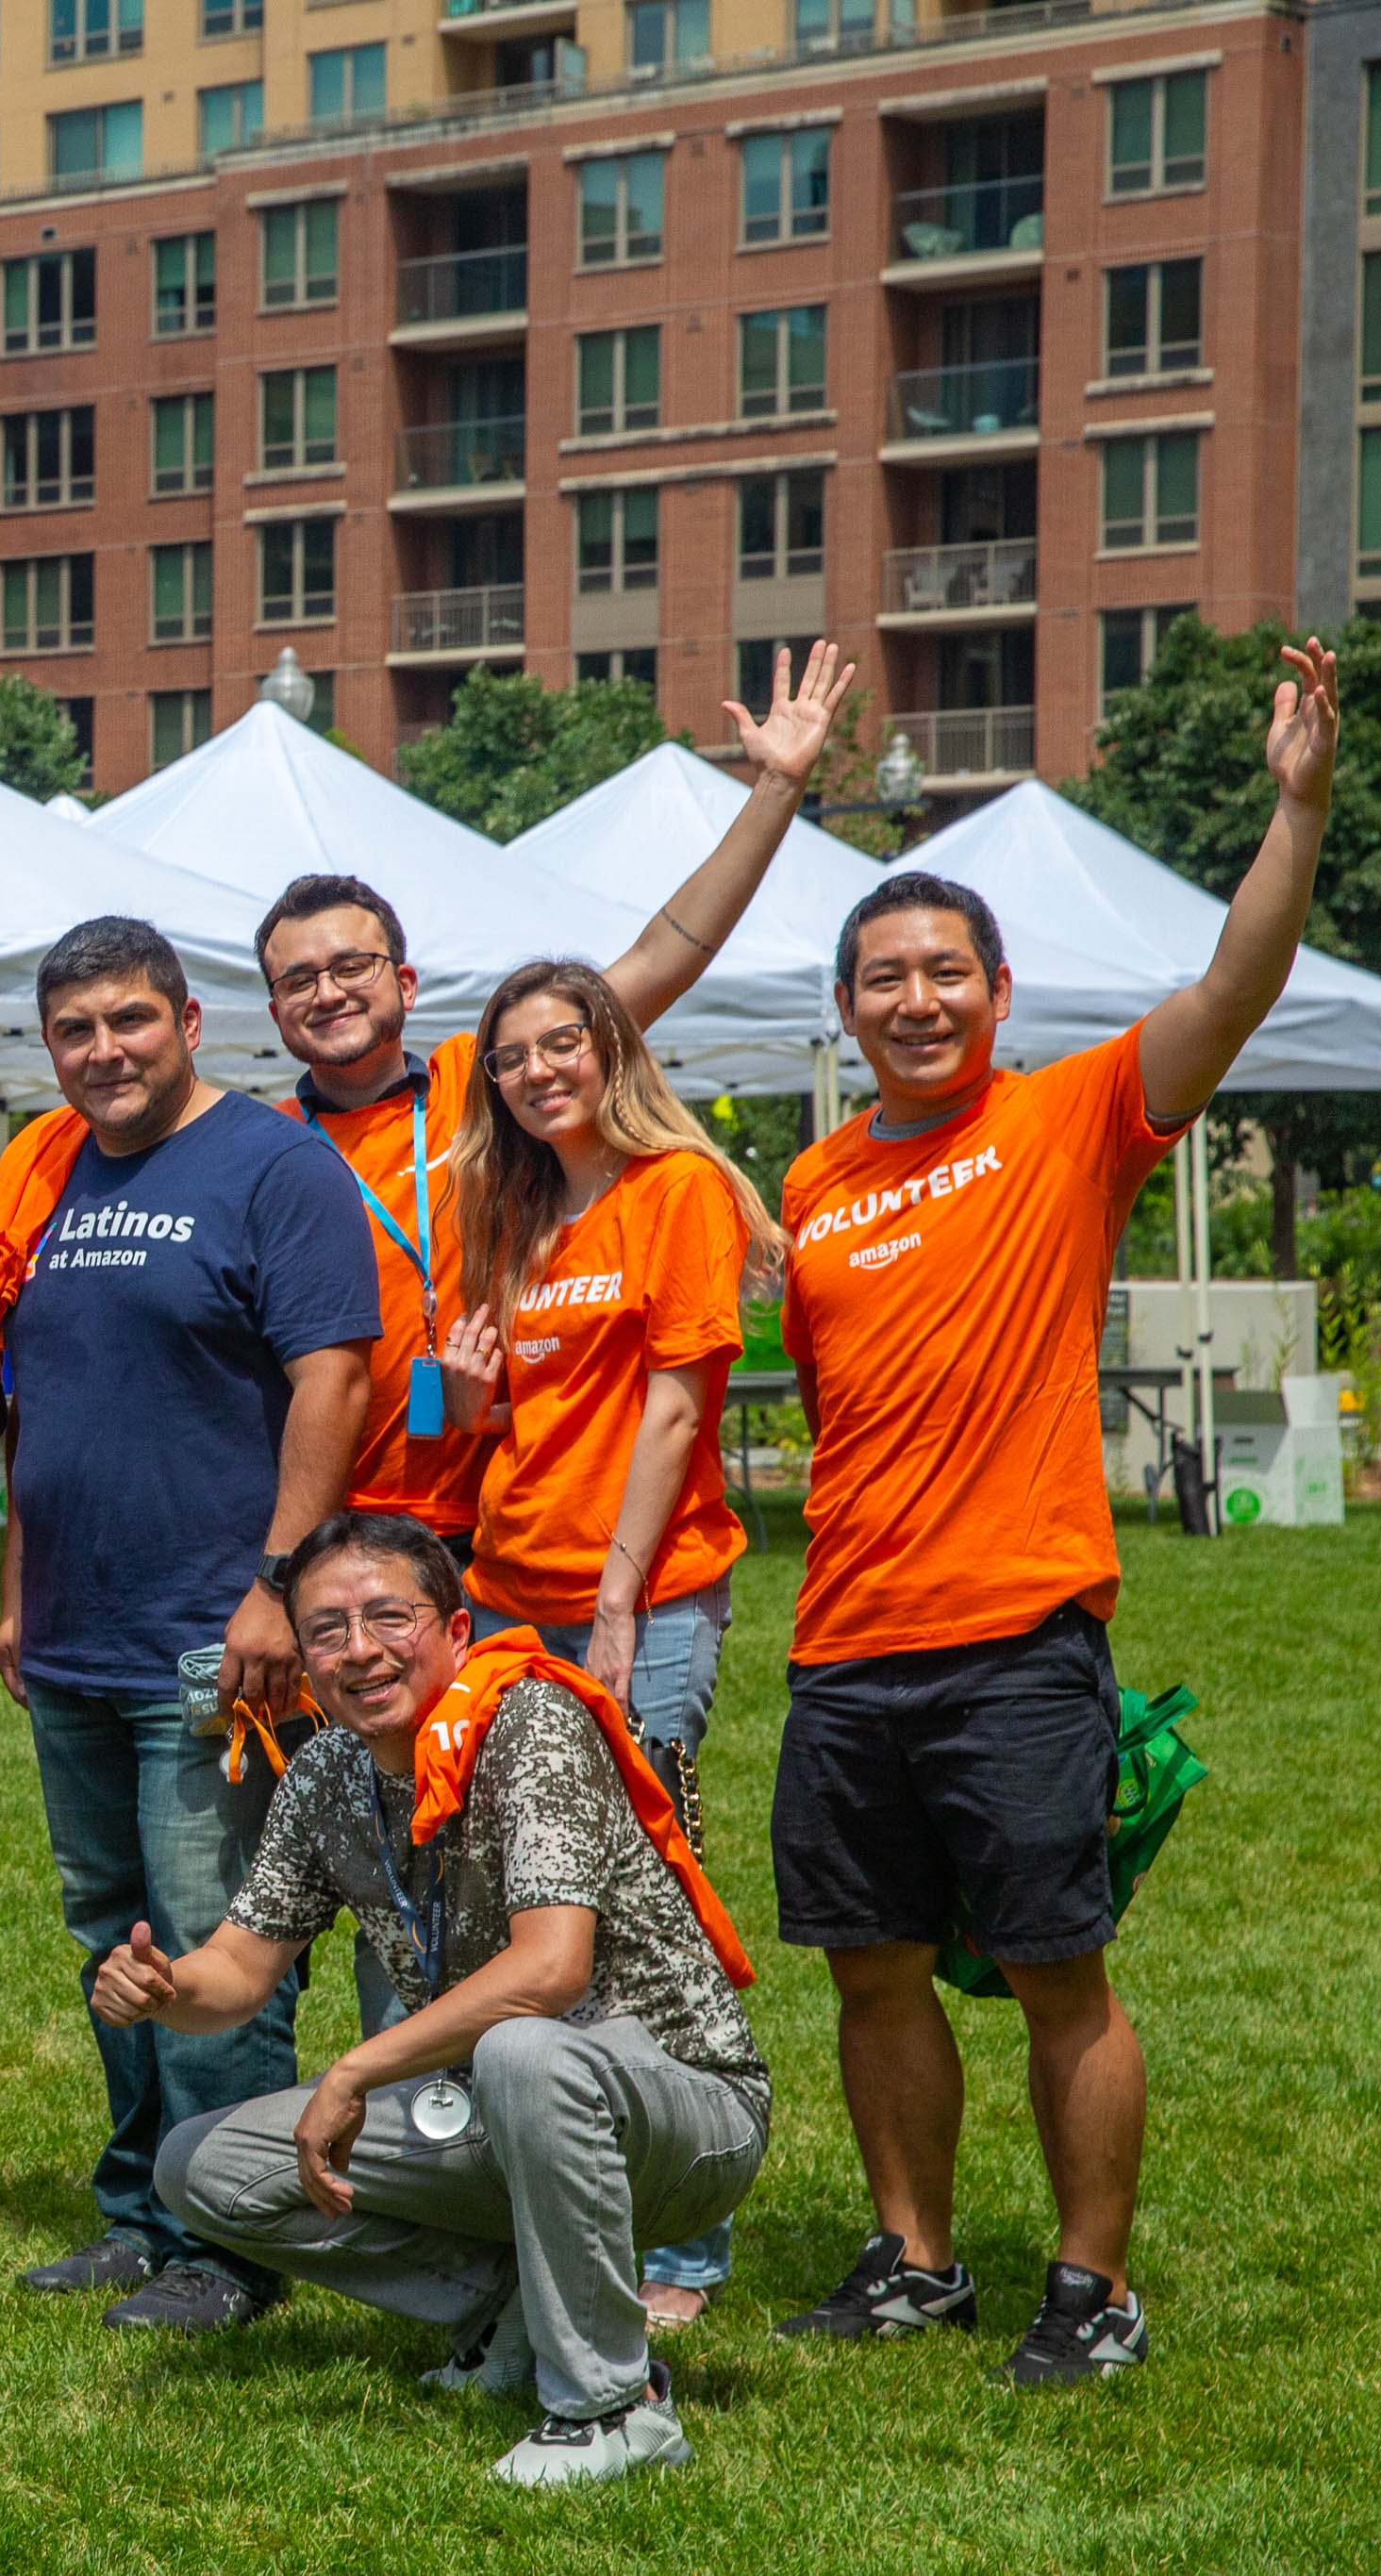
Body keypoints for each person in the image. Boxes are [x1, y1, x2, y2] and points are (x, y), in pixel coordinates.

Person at [766, 641, 1339, 2386]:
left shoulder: (1073, 1118)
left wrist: (1296, 808)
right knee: (868, 1974)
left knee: (1051, 1973)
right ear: (847, 1009)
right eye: (884, 979)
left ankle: (1089, 2288)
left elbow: (1231, 989)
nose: (915, 1000)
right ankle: (914, 2259)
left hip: (1016, 1637)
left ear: (997, 995)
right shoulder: (813, 1183)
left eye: (945, 972)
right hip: (844, 1645)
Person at [0, 915, 376, 2329]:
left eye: (129, 1021)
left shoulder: (277, 1168)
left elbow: (335, 1379)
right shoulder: (48, 1177)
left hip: (212, 1634)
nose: (103, 1051)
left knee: (213, 1932)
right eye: (75, 1031)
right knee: (114, 1935)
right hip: (75, 1634)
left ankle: (235, 2241)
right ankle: (145, 2207)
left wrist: (278, 1582)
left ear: (186, 1017)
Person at [128, 1515, 769, 2489]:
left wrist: (355, 2068)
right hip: (512, 2114)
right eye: (327, 1629)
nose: (359, 1649)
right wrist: (164, 1988)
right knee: (201, 2167)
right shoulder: (325, 1774)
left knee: (521, 2047)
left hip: (684, 2112)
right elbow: (240, 1972)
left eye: (389, 1616)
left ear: (456, 1632)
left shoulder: (530, 1725)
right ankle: (513, 2305)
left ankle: (611, 2403)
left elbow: (550, 1970)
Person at [256, 643, 851, 1558]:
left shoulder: (481, 1081)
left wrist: (774, 790)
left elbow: (665, 954)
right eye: (298, 978)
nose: (326, 992)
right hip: (329, 1523)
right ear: (271, 1007)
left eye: (351, 967)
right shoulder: (263, 1148)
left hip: (486, 1513)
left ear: (404, 983)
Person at [432, 958, 785, 2324]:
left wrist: (626, 1595)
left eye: (559, 1043)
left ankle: (686, 2245)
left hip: (637, 1595)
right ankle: (552, 2188)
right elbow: (497, 1430)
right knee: (524, 1896)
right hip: (510, 1587)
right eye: (511, 1056)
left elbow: (677, 1410)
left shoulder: (678, 1191)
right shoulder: (509, 1215)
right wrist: (465, 1404)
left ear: (611, 1049)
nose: (536, 1071)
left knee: (642, 1898)